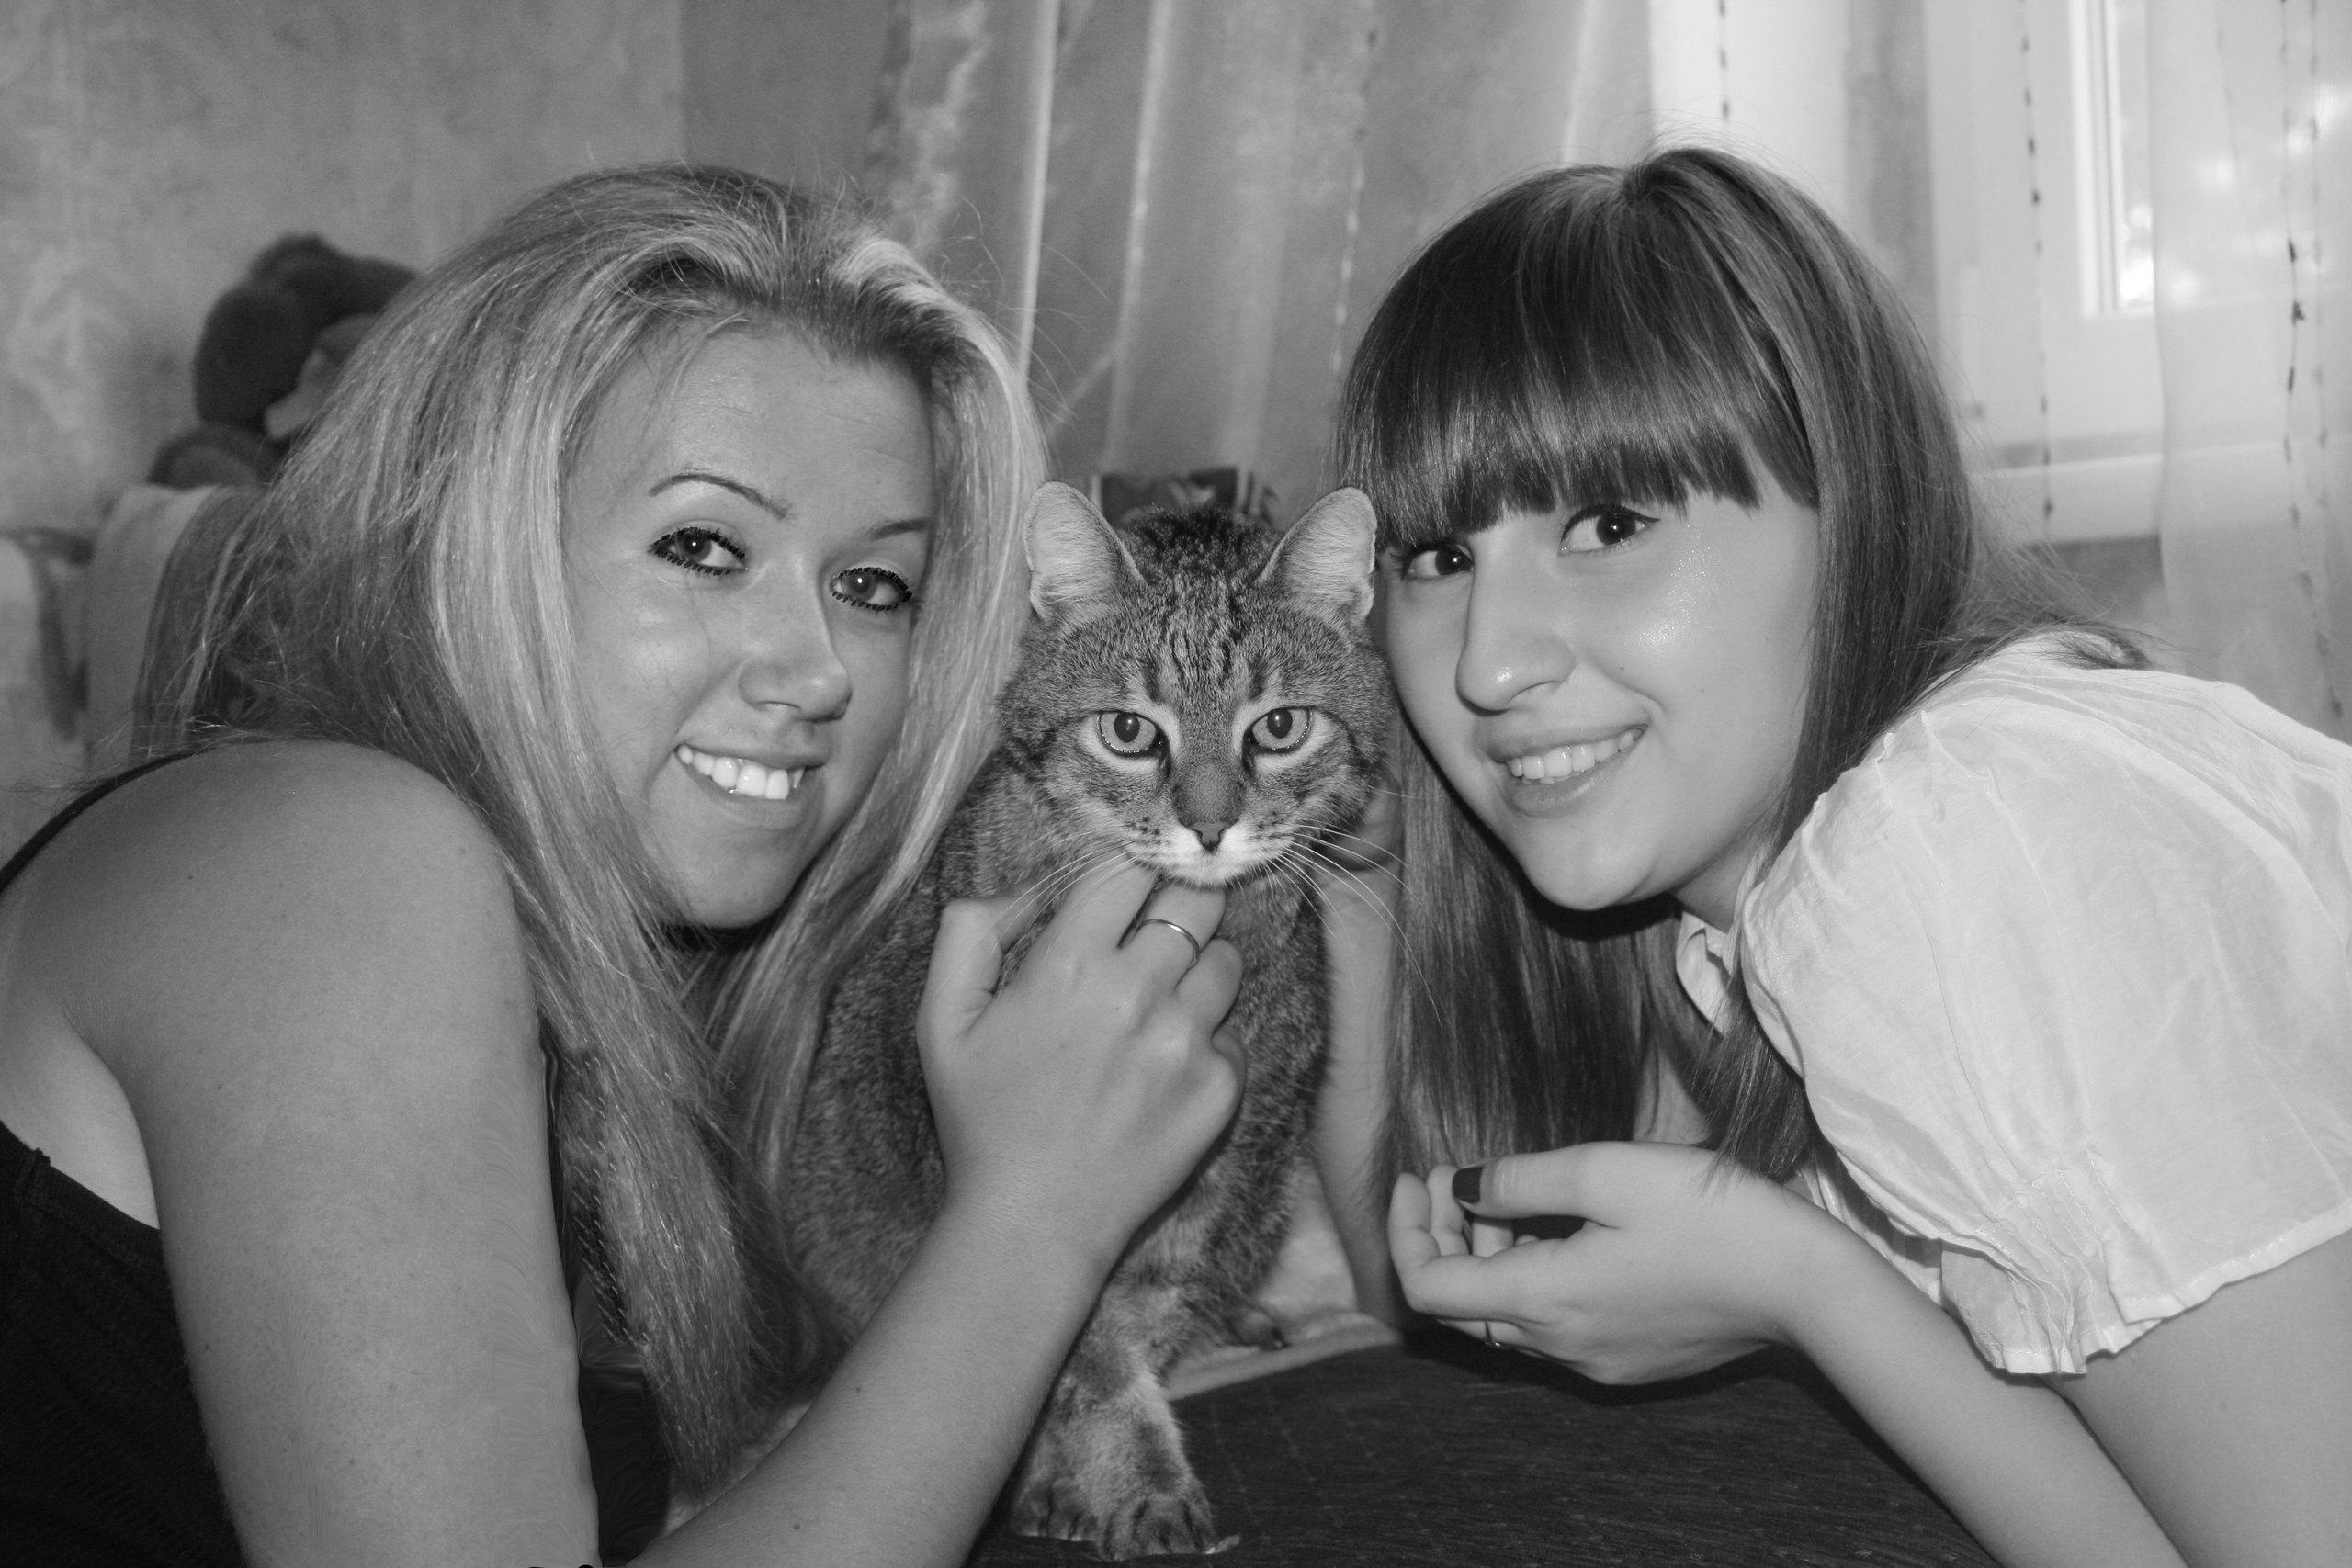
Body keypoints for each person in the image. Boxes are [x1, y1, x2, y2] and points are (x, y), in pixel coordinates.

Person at [0, 164, 1248, 1568]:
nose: (819, 671)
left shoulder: (635, 986)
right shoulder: (335, 861)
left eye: (872, 585)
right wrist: (1033, 1217)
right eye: (704, 546)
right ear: (458, 539)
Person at [1328, 146, 2352, 1568]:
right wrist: (1330, 862)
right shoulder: (1737, 911)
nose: (1487, 667)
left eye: (1610, 526)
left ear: (1848, 501)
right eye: (1438, 559)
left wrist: (1803, 1287)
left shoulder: (1948, 853)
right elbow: (1441, 1244)